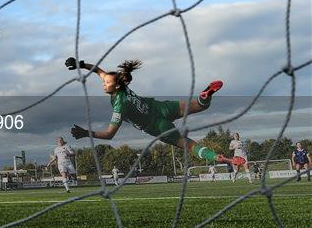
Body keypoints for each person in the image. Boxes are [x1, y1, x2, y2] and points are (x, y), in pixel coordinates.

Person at [65, 57, 238, 165]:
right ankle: (205, 95)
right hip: (159, 107)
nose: (103, 83)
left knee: (188, 145)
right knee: (201, 105)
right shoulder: (121, 87)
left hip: (158, 126)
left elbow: (110, 134)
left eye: (106, 82)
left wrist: (86, 133)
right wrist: (80, 64)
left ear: (116, 85)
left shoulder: (119, 105)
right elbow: (98, 71)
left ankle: (217, 157)